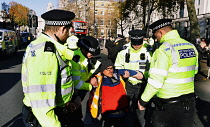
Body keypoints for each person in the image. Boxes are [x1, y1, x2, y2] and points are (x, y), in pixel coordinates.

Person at [138, 19, 199, 127]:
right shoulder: (191, 46)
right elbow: (194, 71)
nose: (155, 38)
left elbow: (156, 82)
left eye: (155, 34)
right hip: (189, 103)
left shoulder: (164, 49)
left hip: (168, 106)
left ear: (160, 32)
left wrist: (143, 101)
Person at [21, 9, 76, 127]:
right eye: (68, 31)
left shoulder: (38, 44)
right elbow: (41, 100)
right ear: (62, 29)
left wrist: (65, 103)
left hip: (52, 110)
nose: (69, 35)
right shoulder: (46, 53)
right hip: (45, 119)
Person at [84, 58, 144, 127]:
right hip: (108, 113)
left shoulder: (117, 73)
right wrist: (92, 79)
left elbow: (130, 72)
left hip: (122, 110)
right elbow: (88, 79)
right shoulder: (98, 78)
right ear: (102, 70)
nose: (111, 71)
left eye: (112, 68)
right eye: (108, 69)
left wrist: (137, 74)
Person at [115, 30, 152, 127]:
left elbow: (155, 70)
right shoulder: (123, 51)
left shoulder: (149, 51)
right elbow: (117, 66)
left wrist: (144, 76)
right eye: (134, 44)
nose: (136, 46)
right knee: (127, 108)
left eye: (139, 44)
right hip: (129, 83)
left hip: (144, 84)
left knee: (142, 108)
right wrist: (123, 73)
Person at [69, 36, 102, 126]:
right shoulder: (75, 60)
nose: (92, 54)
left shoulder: (87, 58)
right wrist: (91, 85)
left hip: (80, 93)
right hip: (72, 94)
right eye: (90, 52)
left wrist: (94, 77)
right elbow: (77, 84)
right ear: (83, 49)